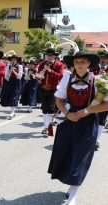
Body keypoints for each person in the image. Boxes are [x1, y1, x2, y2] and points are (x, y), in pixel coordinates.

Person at [48, 51, 108, 205]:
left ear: (89, 64)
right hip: (68, 121)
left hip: (87, 123)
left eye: (82, 62)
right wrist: (68, 114)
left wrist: (86, 111)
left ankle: (73, 193)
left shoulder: (99, 81)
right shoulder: (67, 79)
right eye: (76, 62)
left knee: (80, 157)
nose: (79, 65)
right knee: (66, 153)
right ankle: (71, 185)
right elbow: (59, 100)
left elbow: (106, 104)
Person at [36, 48, 64, 135]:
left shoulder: (59, 64)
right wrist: (42, 71)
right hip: (43, 88)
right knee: (44, 108)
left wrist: (50, 71)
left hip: (53, 90)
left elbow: (60, 76)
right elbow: (37, 76)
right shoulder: (42, 64)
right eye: (47, 55)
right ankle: (45, 127)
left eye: (50, 55)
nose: (48, 57)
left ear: (54, 56)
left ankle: (49, 128)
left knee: (51, 109)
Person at [0, 55, 23, 119]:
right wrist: (10, 70)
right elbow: (6, 77)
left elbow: (19, 77)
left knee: (14, 97)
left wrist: (13, 71)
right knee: (9, 97)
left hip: (17, 83)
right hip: (9, 83)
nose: (13, 61)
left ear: (17, 61)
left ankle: (12, 112)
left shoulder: (20, 66)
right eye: (12, 60)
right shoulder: (8, 66)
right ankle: (12, 111)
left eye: (15, 60)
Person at [96, 51, 108, 150]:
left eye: (105, 58)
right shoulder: (94, 68)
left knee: (102, 120)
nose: (103, 59)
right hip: (93, 97)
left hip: (105, 99)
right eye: (101, 58)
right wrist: (97, 76)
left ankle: (97, 140)